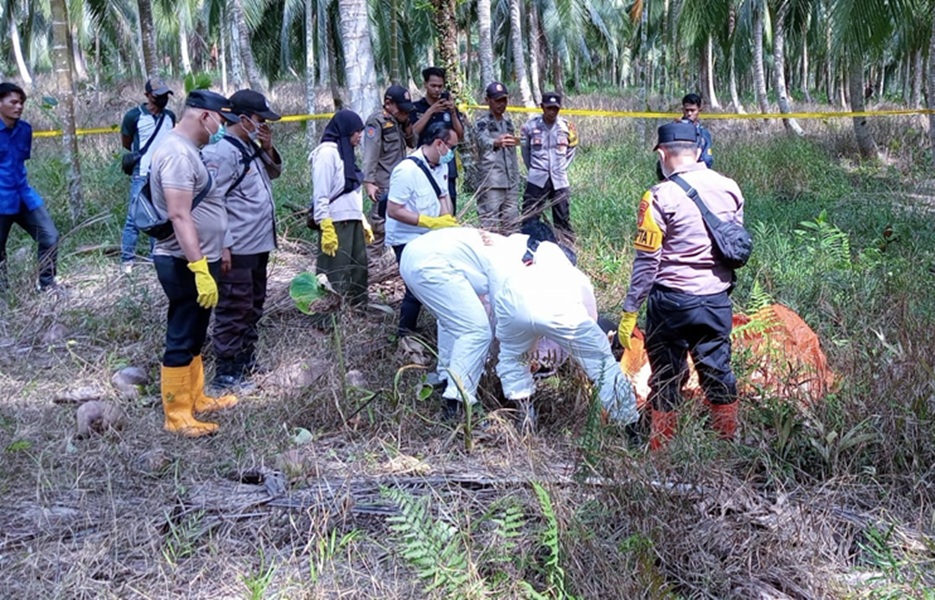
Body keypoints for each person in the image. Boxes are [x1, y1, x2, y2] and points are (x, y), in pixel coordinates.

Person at [618, 121, 745, 450]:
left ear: (662, 154)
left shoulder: (659, 196)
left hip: (672, 302)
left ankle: (661, 451)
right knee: (718, 370)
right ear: (698, 150)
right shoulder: (730, 187)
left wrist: (631, 309)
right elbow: (734, 244)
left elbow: (647, 263)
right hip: (717, 299)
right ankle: (727, 446)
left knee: (667, 377)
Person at [150, 90, 241, 437]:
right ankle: (176, 414)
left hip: (203, 257)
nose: (221, 127)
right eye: (220, 119)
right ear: (205, 116)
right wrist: (199, 267)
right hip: (183, 261)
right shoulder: (175, 153)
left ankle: (195, 397)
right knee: (183, 331)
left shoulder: (191, 150)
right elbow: (178, 214)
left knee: (196, 331)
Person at [495, 238, 639, 434]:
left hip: (511, 309)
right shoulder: (574, 276)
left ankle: (525, 420)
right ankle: (629, 426)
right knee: (602, 363)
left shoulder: (522, 271)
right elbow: (591, 319)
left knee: (514, 360)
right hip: (560, 315)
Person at [398, 227, 527, 419]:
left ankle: (447, 376)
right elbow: (501, 318)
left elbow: (488, 305)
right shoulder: (509, 264)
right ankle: (456, 403)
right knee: (476, 332)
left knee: (454, 320)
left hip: (413, 256)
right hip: (431, 264)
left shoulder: (503, 246)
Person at [202, 89, 282, 393]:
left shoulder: (248, 146)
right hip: (236, 247)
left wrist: (268, 145)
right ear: (244, 118)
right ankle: (226, 372)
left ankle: (246, 359)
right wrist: (222, 244)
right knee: (234, 307)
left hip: (258, 243)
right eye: (260, 120)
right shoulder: (221, 152)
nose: (263, 125)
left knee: (253, 306)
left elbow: (272, 173)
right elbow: (211, 201)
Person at [384, 122, 459, 338]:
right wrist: (429, 222)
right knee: (415, 287)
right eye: (451, 147)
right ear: (438, 144)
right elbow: (394, 210)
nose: (453, 153)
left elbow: (443, 195)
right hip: (406, 238)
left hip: (430, 237)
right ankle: (404, 334)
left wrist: (446, 221)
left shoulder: (441, 166)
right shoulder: (406, 171)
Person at [0, 82, 60, 293]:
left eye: (21, 102)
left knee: (50, 236)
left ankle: (47, 284)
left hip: (23, 195)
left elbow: (20, 161)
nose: (18, 107)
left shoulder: (25, 129)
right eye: (13, 102)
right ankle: (4, 295)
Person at [309, 109, 371, 309]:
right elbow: (321, 193)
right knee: (334, 272)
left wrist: (361, 219)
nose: (359, 136)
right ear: (345, 131)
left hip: (351, 221)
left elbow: (350, 191)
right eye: (355, 132)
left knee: (357, 270)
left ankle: (355, 311)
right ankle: (327, 317)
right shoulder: (327, 154)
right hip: (335, 223)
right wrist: (326, 225)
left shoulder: (346, 153)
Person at [119, 77, 177, 273]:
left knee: (159, 218)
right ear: (147, 96)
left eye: (164, 95)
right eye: (157, 96)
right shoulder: (133, 116)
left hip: (164, 175)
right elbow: (127, 143)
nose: (162, 99)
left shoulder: (170, 117)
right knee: (134, 217)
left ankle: (157, 257)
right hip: (142, 174)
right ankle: (127, 259)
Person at [362, 84, 417, 267]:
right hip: (383, 184)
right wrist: (369, 182)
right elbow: (371, 153)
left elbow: (412, 143)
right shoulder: (377, 122)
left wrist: (408, 124)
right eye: (401, 108)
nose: (404, 112)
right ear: (388, 104)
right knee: (379, 229)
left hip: (400, 184)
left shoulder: (400, 121)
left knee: (399, 226)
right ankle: (371, 267)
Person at [520, 91, 579, 240]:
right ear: (542, 107)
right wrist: (534, 169)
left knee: (562, 218)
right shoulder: (530, 126)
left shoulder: (566, 127)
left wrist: (562, 167)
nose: (552, 112)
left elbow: (572, 149)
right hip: (537, 179)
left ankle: (566, 247)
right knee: (530, 216)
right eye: (549, 108)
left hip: (559, 180)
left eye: (555, 108)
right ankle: (529, 246)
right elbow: (525, 150)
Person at [410, 67, 465, 212]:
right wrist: (431, 111)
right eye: (433, 86)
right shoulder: (416, 108)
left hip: (447, 162)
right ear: (425, 85)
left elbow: (460, 135)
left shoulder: (449, 107)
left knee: (449, 202)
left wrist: (453, 113)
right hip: (424, 164)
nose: (436, 90)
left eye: (440, 86)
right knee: (425, 202)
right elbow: (412, 132)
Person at [472, 82, 520, 233]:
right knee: (489, 224)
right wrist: (495, 142)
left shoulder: (508, 123)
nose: (501, 104)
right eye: (497, 100)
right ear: (488, 100)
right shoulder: (482, 123)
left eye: (504, 100)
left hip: (510, 180)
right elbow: (480, 141)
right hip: (492, 181)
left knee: (512, 224)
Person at [679, 93, 713, 169]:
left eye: (692, 110)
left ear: (699, 110)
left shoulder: (704, 133)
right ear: (682, 110)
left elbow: (707, 159)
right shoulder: (675, 130)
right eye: (687, 110)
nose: (689, 113)